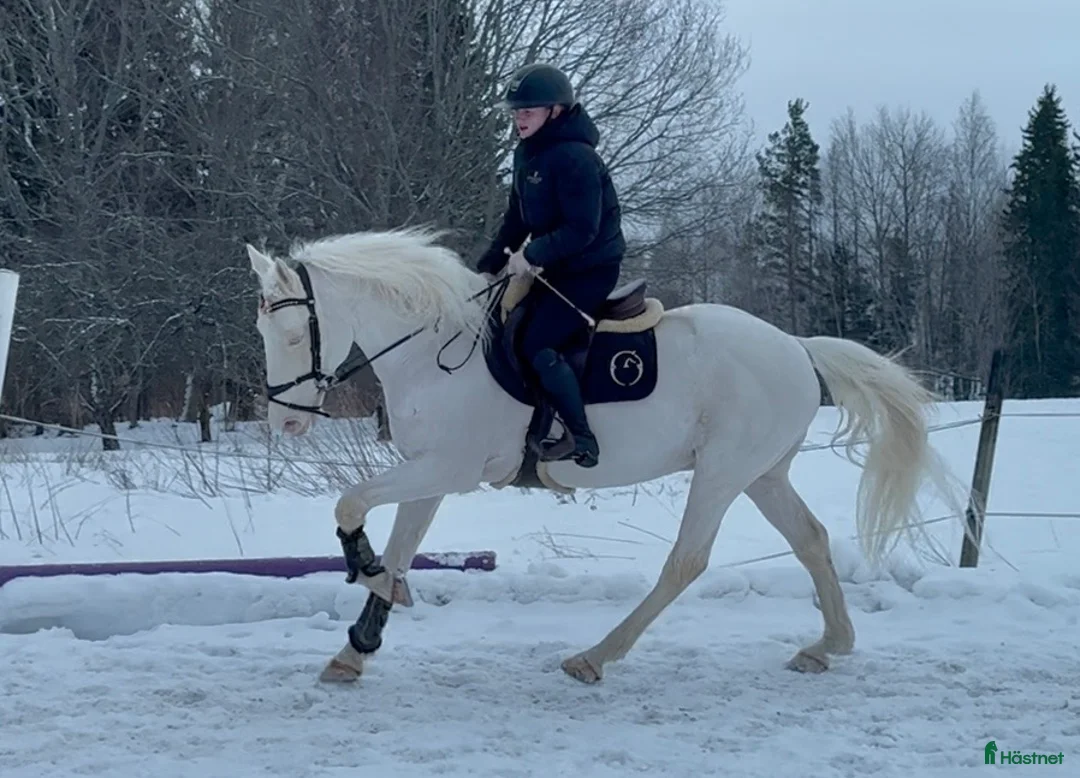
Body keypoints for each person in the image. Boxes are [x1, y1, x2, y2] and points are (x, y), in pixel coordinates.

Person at [476, 62, 625, 468]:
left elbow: (583, 230)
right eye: (515, 112)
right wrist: (487, 266)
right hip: (553, 266)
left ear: (555, 112)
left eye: (527, 111)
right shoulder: (528, 155)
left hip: (590, 268)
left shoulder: (577, 159)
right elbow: (517, 220)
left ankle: (581, 437)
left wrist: (533, 254)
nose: (518, 119)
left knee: (536, 341)